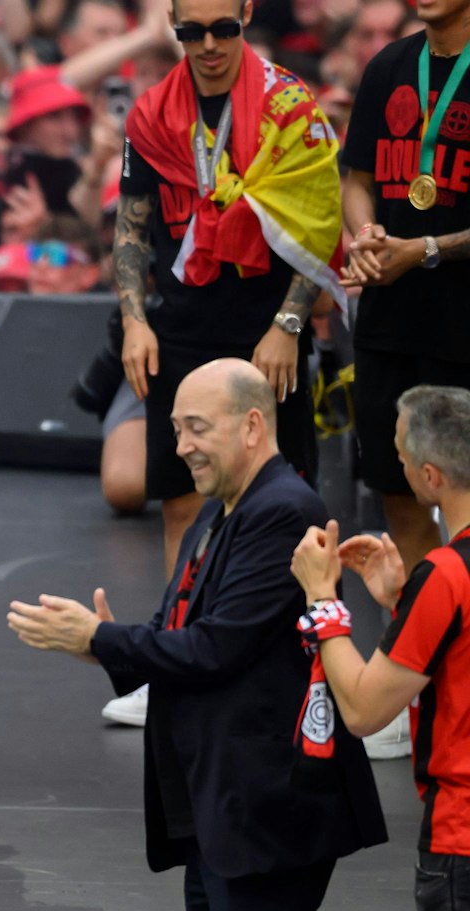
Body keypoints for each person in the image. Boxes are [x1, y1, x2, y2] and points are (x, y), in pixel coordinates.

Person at [8, 358, 386, 911]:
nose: (179, 444)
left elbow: (215, 647)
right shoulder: (226, 509)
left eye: (196, 427)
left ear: (253, 425)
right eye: (176, 426)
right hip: (222, 812)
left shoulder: (282, 510)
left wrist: (108, 637)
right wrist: (103, 643)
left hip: (268, 813)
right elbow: (182, 632)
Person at [107, 0, 344, 729]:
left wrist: (288, 324)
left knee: (290, 496)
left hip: (267, 314)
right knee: (182, 494)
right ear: (173, 27)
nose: (207, 46)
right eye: (190, 32)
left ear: (245, 18)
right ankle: (178, 657)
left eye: (222, 30)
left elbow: (318, 219)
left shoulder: (289, 106)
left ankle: (310, 665)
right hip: (183, 314)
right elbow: (132, 222)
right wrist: (135, 320)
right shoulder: (152, 114)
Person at [289, 384, 470, 911]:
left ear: (431, 477)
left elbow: (363, 707)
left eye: (397, 457)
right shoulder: (439, 584)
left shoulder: (449, 575)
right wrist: (401, 605)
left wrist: (323, 603)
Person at [338, 0, 470, 570]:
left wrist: (424, 251)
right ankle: (425, 640)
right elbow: (357, 180)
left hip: (463, 324)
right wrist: (366, 234)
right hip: (389, 323)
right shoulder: (389, 65)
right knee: (399, 492)